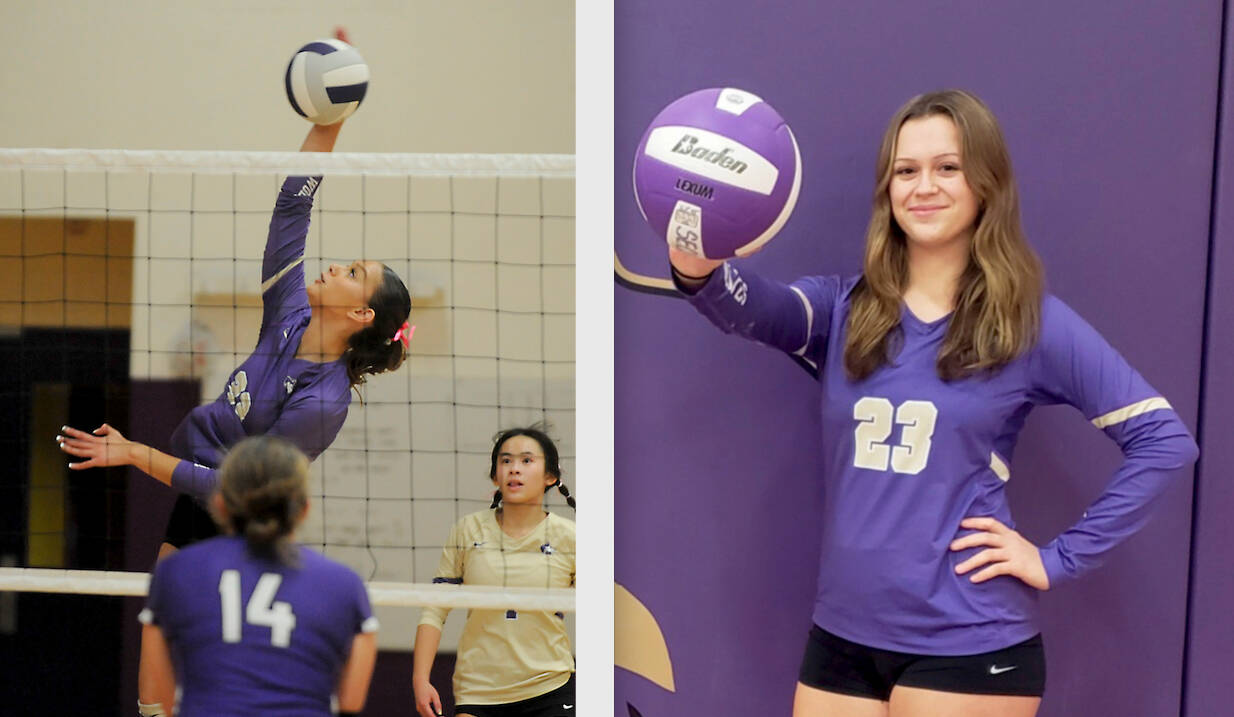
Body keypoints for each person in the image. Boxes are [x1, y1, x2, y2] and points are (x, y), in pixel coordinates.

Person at [668, 89, 1198, 717]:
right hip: (840, 639)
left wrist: (1057, 559)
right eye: (906, 170)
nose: (924, 187)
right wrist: (693, 253)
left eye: (948, 168)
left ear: (985, 183)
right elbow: (744, 306)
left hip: (969, 644)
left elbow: (1164, 442)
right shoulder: (846, 310)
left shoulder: (1028, 324)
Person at [55, 118, 411, 716]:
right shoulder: (289, 313)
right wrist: (328, 124)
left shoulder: (323, 402)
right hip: (199, 488)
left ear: (359, 314)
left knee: (198, 638)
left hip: (238, 511)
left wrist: (136, 452)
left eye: (354, 273)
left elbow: (233, 490)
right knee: (158, 627)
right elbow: (292, 207)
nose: (335, 267)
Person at [138, 435, 378, 716]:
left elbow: (165, 698)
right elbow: (351, 701)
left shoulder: (174, 572)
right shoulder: (344, 585)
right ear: (304, 509)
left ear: (220, 504)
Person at [412, 425, 577, 717]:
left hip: (550, 686)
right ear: (495, 476)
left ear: (550, 477)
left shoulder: (570, 537)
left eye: (527, 461)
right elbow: (435, 609)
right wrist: (420, 679)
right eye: (506, 461)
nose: (515, 469)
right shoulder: (468, 529)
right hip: (479, 691)